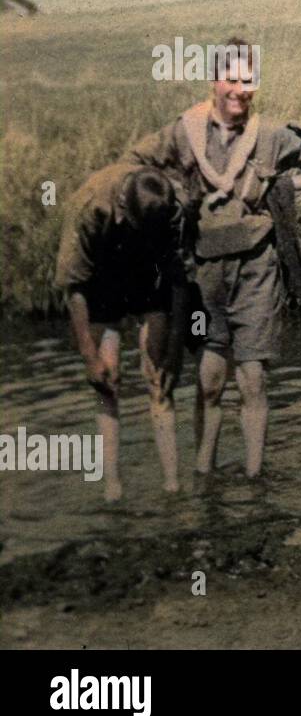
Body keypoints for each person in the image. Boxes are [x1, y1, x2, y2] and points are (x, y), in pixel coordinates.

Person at [130, 38, 301, 477]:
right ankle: (205, 475)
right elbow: (134, 164)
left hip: (258, 268)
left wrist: (283, 188)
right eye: (230, 78)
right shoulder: (185, 131)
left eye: (248, 79)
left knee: (253, 376)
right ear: (213, 81)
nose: (239, 89)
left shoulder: (274, 135)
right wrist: (170, 195)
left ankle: (255, 476)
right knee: (210, 380)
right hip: (204, 272)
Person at [55, 165, 189, 500]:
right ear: (123, 208)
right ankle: (112, 487)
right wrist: (89, 358)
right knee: (107, 381)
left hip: (148, 272)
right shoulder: (89, 207)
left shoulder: (172, 208)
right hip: (102, 277)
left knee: (159, 379)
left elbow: (179, 283)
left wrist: (174, 352)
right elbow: (74, 289)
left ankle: (173, 485)